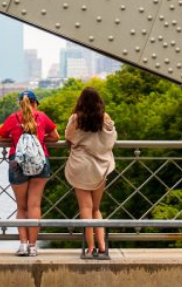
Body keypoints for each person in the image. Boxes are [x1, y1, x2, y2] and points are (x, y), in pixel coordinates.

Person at [0, 90, 58, 257]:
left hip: (18, 162)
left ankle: (23, 245)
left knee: (21, 206)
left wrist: (14, 139)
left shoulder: (13, 118)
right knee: (35, 205)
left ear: (20, 103)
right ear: (35, 103)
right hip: (40, 161)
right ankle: (33, 247)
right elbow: (56, 136)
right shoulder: (42, 117)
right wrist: (41, 138)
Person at [64, 87, 116, 260]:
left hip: (80, 166)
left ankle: (90, 247)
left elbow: (69, 137)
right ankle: (102, 246)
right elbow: (111, 140)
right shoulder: (105, 118)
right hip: (100, 166)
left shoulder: (76, 118)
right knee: (96, 208)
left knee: (85, 208)